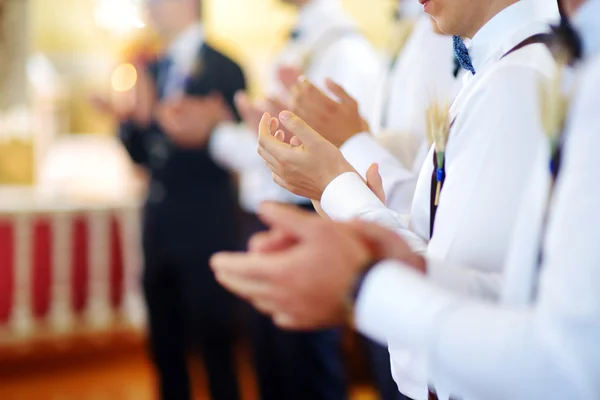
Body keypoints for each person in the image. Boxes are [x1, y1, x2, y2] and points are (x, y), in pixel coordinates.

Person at [210, 0, 600, 398]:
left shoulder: (520, 75)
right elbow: (449, 253)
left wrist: (355, 257)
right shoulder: (495, 68)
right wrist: (345, 198)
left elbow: (550, 352)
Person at [185, 1, 384, 399]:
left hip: (310, 211)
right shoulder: (299, 41)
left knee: (308, 366)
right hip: (271, 211)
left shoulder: (347, 50)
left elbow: (351, 154)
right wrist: (250, 127)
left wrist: (218, 135)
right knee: (271, 364)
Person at [92, 0, 246, 399]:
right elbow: (144, 155)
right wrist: (128, 121)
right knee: (164, 347)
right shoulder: (151, 68)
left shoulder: (224, 67)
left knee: (216, 349)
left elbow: (233, 150)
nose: (149, 5)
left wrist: (180, 120)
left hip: (206, 226)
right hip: (158, 225)